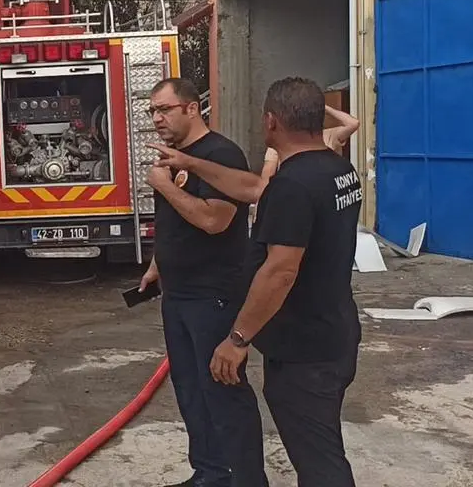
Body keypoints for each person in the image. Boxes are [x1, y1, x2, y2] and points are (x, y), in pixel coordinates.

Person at [150, 77, 362, 487]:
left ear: (271, 121)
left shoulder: (293, 186)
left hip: (305, 346)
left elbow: (280, 272)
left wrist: (238, 339)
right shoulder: (337, 169)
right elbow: (253, 188)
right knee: (319, 449)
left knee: (320, 462)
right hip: (334, 331)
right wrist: (190, 163)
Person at [139, 78, 266, 487]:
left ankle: (246, 480)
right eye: (152, 111)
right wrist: (158, 264)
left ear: (192, 108)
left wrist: (164, 185)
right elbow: (173, 221)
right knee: (191, 392)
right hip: (178, 294)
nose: (156, 118)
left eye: (164, 109)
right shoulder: (175, 157)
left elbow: (215, 220)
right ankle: (210, 474)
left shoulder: (219, 155)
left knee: (223, 391)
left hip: (213, 295)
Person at [260, 103, 357, 179]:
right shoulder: (281, 141)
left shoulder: (328, 135)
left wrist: (324, 107)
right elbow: (266, 179)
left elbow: (353, 124)